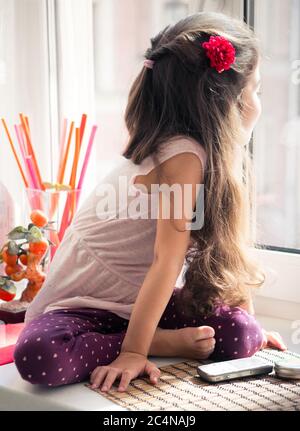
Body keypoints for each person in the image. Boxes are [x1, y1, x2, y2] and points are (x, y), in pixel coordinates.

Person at [14, 11, 287, 392]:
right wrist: (135, 351)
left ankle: (141, 335)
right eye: (254, 90)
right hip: (79, 308)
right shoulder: (182, 158)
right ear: (229, 102)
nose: (258, 103)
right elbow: (166, 260)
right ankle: (150, 339)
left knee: (240, 335)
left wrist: (252, 325)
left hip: (135, 303)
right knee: (39, 357)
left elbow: (226, 252)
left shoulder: (206, 159)